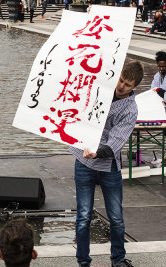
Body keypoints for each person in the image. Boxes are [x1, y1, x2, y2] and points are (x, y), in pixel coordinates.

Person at [69, 61, 144, 267]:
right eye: (120, 80)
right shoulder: (99, 90)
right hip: (84, 160)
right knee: (83, 216)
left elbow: (115, 143)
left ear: (134, 86)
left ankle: (118, 259)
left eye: (127, 85)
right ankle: (83, 261)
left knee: (116, 217)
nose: (121, 86)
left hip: (108, 164)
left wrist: (97, 152)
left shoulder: (130, 109)